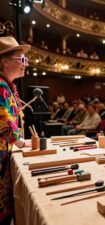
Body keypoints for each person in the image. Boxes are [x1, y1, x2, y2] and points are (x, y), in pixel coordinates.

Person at [0, 36, 31, 225]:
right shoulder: (1, 85)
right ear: (4, 61)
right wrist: (20, 142)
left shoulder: (6, 85)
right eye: (22, 59)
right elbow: (3, 121)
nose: (25, 64)